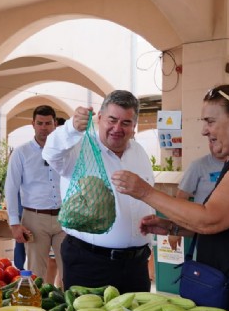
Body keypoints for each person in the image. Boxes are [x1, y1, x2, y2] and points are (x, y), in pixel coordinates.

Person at [111, 84, 229, 311]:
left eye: (210, 121)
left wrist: (145, 192)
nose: (204, 131)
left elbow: (211, 219)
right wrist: (172, 227)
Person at [43, 90, 155, 293]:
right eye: (112, 120)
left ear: (134, 126)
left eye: (126, 123)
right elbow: (51, 152)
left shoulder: (138, 152)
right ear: (100, 118)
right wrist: (70, 128)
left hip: (135, 266)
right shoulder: (78, 147)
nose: (117, 128)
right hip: (90, 263)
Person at [5, 105, 65, 284]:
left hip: (65, 217)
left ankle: (65, 308)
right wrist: (14, 223)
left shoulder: (65, 151)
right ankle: (36, 309)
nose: (44, 127)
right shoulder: (21, 153)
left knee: (69, 268)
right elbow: (11, 187)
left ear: (55, 124)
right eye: (40, 123)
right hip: (34, 218)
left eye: (48, 123)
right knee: (36, 271)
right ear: (33, 124)